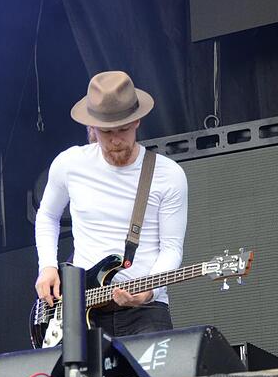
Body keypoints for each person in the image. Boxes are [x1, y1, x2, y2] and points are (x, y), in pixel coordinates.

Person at [35, 71, 188, 337]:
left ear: (137, 121)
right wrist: (47, 266)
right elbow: (47, 215)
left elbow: (171, 248)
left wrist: (149, 289)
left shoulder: (168, 175)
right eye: (107, 132)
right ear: (92, 127)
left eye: (123, 130)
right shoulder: (69, 164)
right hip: (79, 308)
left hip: (146, 310)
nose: (116, 140)